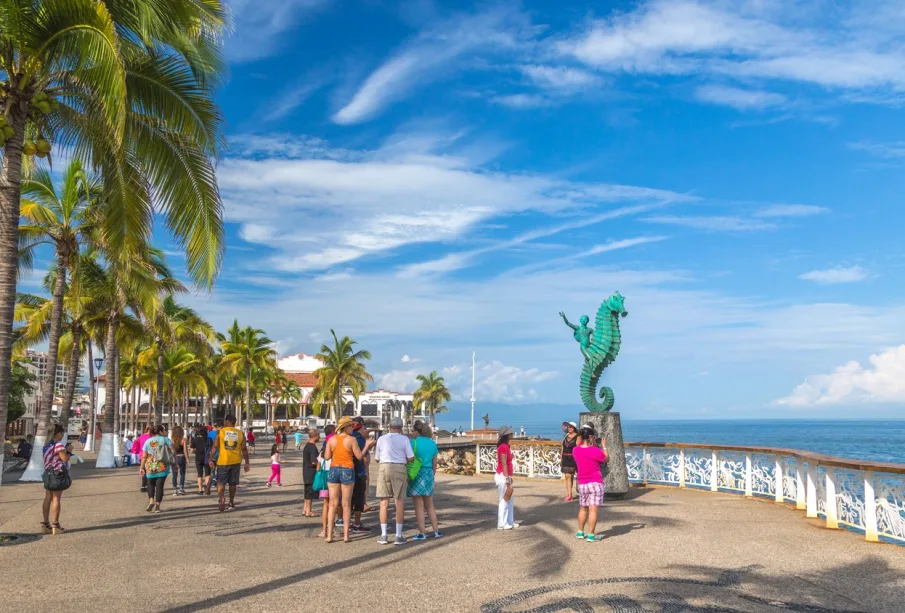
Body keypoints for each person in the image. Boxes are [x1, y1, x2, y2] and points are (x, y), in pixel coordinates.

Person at [324, 417, 374, 543]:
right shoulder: (351, 440)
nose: (353, 428)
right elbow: (358, 457)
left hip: (334, 469)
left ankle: (329, 535)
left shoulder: (332, 439)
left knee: (332, 504)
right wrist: (367, 446)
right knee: (346, 504)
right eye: (351, 426)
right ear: (346, 427)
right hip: (347, 469)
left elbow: (327, 456)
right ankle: (346, 535)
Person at [374, 416, 414, 545]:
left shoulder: (381, 439)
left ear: (389, 427)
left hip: (384, 467)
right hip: (399, 468)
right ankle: (398, 535)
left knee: (384, 502)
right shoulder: (404, 439)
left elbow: (377, 458)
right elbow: (411, 457)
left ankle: (384, 535)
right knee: (399, 501)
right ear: (401, 428)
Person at [572, 423, 608, 542]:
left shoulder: (575, 450)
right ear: (592, 437)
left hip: (582, 483)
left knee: (583, 509)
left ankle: (580, 532)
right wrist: (604, 446)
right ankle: (591, 534)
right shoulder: (595, 451)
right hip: (595, 482)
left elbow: (579, 446)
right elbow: (606, 459)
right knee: (593, 510)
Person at [408, 423, 443, 540]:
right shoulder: (432, 443)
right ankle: (436, 530)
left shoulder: (413, 443)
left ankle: (422, 533)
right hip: (428, 473)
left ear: (417, 432)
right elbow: (434, 463)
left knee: (419, 506)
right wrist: (432, 476)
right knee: (430, 505)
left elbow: (408, 459)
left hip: (416, 473)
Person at [209, 414, 250, 512]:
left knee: (220, 482)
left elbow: (215, 447)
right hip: (235, 461)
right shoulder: (240, 433)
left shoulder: (220, 432)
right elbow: (244, 449)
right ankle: (231, 502)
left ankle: (222, 497)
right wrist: (247, 462)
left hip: (223, 461)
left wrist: (210, 459)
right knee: (233, 483)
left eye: (225, 421)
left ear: (227, 421)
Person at [40, 425, 72, 535]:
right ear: (58, 434)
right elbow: (64, 459)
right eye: (62, 433)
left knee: (47, 497)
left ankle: (45, 524)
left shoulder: (46, 445)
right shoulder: (58, 445)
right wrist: (69, 451)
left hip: (48, 473)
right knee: (56, 498)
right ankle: (56, 525)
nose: (62, 436)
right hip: (57, 473)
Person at [140, 425, 175, 514]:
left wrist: (141, 468)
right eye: (163, 430)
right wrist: (173, 461)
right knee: (159, 486)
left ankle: (151, 500)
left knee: (150, 484)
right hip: (162, 466)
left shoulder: (148, 441)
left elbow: (144, 457)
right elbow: (173, 451)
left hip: (150, 465)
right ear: (160, 431)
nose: (164, 432)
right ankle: (157, 506)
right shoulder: (165, 439)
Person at [349, 417, 371, 532]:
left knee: (347, 499)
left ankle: (345, 522)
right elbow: (364, 458)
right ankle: (357, 524)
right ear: (361, 426)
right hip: (359, 472)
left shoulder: (346, 437)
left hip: (346, 472)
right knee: (358, 498)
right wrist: (368, 444)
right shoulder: (360, 439)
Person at [495, 425, 518, 530]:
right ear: (506, 435)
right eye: (510, 433)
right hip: (502, 475)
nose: (512, 434)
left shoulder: (506, 446)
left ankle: (509, 521)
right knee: (504, 499)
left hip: (506, 475)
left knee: (509, 499)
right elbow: (504, 464)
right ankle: (502, 523)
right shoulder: (503, 447)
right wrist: (507, 478)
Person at [302, 429, 320, 517]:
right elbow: (314, 461)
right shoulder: (312, 447)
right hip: (311, 472)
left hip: (306, 471)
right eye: (319, 435)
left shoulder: (307, 446)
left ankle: (305, 509)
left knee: (307, 491)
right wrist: (319, 465)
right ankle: (309, 511)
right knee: (310, 492)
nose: (320, 437)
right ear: (315, 436)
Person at [191, 425, 212, 495]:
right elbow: (212, 449)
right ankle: (207, 486)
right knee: (207, 474)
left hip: (198, 458)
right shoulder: (209, 439)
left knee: (199, 474)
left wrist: (196, 451)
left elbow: (192, 450)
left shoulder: (195, 440)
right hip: (207, 458)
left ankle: (200, 490)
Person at [561, 421, 579, 502]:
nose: (569, 428)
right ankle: (569, 494)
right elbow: (562, 447)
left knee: (576, 476)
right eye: (568, 427)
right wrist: (561, 459)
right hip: (565, 457)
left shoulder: (578, 437)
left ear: (574, 428)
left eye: (571, 427)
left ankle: (582, 493)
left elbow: (579, 449)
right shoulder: (566, 436)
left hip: (573, 458)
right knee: (568, 476)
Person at [171, 425, 189, 495]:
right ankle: (181, 488)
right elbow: (185, 450)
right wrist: (187, 458)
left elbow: (172, 450)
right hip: (182, 457)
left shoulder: (172, 440)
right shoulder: (183, 439)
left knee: (174, 474)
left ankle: (175, 489)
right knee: (182, 473)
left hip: (174, 458)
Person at [135, 425, 152, 493]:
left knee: (143, 470)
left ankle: (143, 486)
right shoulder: (151, 437)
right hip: (148, 456)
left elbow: (136, 444)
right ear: (150, 431)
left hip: (141, 455)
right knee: (148, 471)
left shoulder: (140, 437)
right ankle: (147, 486)